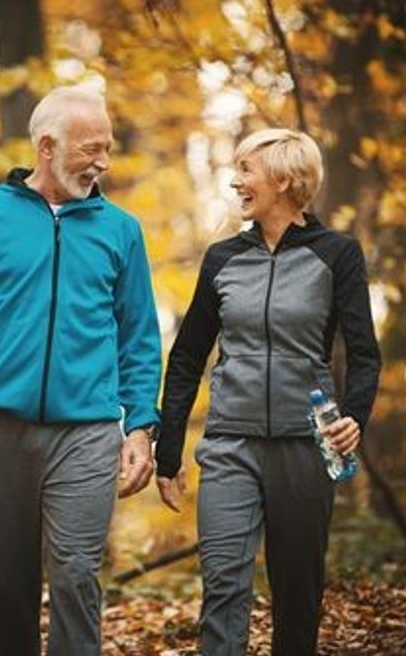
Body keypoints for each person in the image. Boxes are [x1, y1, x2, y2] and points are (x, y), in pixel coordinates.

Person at [0, 85, 162, 656]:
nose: (103, 162)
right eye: (90, 148)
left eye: (108, 147)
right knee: (6, 585)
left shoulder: (121, 230)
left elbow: (139, 338)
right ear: (46, 146)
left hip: (88, 432)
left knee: (76, 574)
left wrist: (141, 426)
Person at [155, 128, 381, 655]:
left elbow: (364, 353)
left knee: (297, 597)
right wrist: (169, 450)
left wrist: (354, 416)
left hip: (306, 445)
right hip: (230, 445)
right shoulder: (222, 258)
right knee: (223, 588)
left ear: (283, 179)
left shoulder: (337, 254)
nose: (236, 182)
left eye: (246, 170)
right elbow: (187, 357)